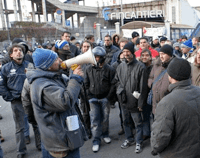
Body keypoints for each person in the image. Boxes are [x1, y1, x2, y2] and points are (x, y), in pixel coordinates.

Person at [26, 48, 86, 158]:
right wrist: (76, 79)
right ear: (48, 66)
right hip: (60, 145)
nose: (60, 60)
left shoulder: (53, 76)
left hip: (65, 138)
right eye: (55, 59)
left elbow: (70, 91)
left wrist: (74, 74)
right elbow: (65, 101)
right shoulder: (43, 86)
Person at [151, 57, 200, 158]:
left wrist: (155, 149)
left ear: (170, 76)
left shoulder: (167, 103)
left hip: (178, 153)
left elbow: (159, 138)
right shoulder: (198, 91)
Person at [0, 44, 40, 158]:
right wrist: (10, 97)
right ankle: (21, 151)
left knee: (36, 123)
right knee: (20, 128)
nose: (19, 52)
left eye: (21, 50)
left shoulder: (30, 65)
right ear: (11, 55)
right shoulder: (6, 68)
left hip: (31, 100)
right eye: (16, 51)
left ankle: (40, 145)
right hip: (17, 102)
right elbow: (1, 85)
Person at [115, 43, 148, 153]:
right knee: (126, 122)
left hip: (135, 101)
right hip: (123, 100)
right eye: (124, 52)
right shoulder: (120, 66)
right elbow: (117, 81)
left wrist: (140, 103)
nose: (125, 54)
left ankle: (138, 142)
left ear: (132, 52)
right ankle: (129, 139)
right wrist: (119, 90)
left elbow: (143, 88)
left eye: (127, 51)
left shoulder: (141, 67)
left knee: (138, 123)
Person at [84, 46, 115, 152]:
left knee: (105, 119)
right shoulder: (88, 69)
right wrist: (89, 96)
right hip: (92, 99)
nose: (95, 58)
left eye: (97, 57)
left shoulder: (109, 69)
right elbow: (86, 83)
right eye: (94, 56)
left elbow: (113, 84)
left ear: (102, 57)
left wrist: (108, 97)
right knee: (95, 120)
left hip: (104, 99)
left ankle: (105, 134)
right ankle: (96, 140)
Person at [148, 45, 174, 115]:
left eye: (163, 54)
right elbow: (151, 77)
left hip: (168, 102)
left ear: (169, 54)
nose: (161, 56)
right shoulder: (156, 64)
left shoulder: (175, 66)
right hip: (155, 103)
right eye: (160, 54)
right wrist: (152, 84)